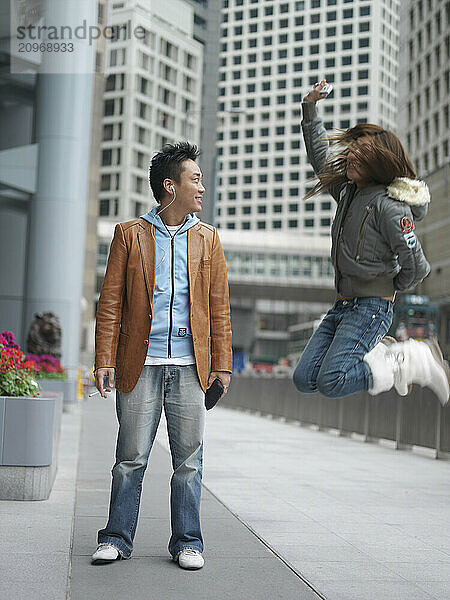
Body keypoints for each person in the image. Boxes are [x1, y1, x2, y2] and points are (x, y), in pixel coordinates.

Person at [92, 142, 232, 569]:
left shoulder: (208, 239)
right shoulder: (129, 235)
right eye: (196, 180)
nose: (202, 188)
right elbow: (110, 303)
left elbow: (219, 307)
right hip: (141, 365)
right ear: (170, 187)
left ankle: (188, 542)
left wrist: (222, 367)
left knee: (189, 461)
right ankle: (116, 537)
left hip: (191, 368)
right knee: (129, 459)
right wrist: (104, 359)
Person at [293, 80, 449, 406]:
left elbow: (417, 265)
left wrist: (387, 288)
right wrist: (310, 108)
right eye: (351, 154)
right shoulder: (349, 192)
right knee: (305, 378)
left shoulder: (389, 207)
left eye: (359, 159)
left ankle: (407, 358)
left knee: (332, 380)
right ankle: (384, 352)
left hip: (370, 307)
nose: (350, 161)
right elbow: (320, 157)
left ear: (378, 163)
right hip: (343, 303)